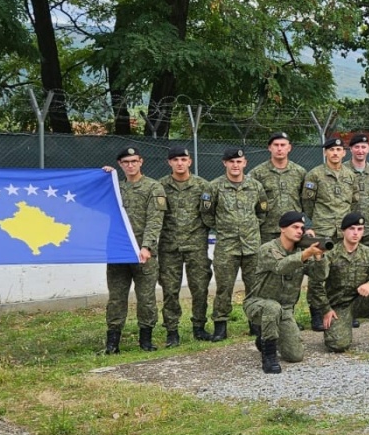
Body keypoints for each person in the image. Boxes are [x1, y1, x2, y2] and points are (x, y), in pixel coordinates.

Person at [244, 211, 328, 374]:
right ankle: (269, 358)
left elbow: (320, 276)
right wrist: (306, 254)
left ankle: (265, 338)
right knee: (272, 307)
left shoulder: (301, 252)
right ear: (282, 228)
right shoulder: (268, 249)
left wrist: (319, 257)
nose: (299, 231)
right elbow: (280, 267)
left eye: (302, 228)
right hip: (258, 304)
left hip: (285, 310)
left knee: (295, 355)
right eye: (295, 227)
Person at [200, 147, 267, 342]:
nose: (235, 165)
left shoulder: (255, 186)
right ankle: (220, 326)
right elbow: (206, 214)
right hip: (226, 247)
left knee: (255, 286)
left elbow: (262, 212)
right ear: (225, 163)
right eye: (231, 162)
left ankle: (256, 324)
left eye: (239, 161)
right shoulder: (214, 187)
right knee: (224, 288)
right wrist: (223, 227)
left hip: (252, 245)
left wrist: (250, 227)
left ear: (245, 163)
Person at [105, 146, 166, 354]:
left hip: (143, 253)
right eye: (126, 162)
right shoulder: (115, 187)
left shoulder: (153, 187)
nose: (130, 165)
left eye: (134, 161)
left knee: (146, 298)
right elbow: (95, 203)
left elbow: (155, 220)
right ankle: (112, 342)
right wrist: (103, 177)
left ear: (141, 162)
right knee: (116, 298)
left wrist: (147, 246)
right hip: (118, 252)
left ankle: (146, 339)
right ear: (120, 165)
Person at [315, 212, 369, 354]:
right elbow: (316, 284)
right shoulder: (331, 254)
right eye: (352, 229)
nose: (356, 233)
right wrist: (326, 309)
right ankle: (341, 326)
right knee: (337, 345)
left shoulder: (368, 253)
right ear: (343, 231)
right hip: (338, 306)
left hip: (360, 302)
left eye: (360, 229)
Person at [157, 146, 212, 346]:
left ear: (190, 161)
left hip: (196, 246)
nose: (179, 163)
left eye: (183, 159)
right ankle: (172, 331)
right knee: (170, 290)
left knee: (200, 288)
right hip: (169, 246)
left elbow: (209, 215)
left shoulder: (203, 186)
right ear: (169, 162)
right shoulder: (160, 186)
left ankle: (199, 327)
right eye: (175, 160)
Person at [249, 130, 306, 240]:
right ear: (269, 148)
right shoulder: (257, 173)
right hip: (267, 231)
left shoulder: (300, 172)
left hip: (293, 230)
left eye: (283, 145)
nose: (279, 148)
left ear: (289, 148)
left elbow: (306, 201)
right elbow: (250, 202)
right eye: (276, 145)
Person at [302, 136, 358, 240]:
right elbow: (307, 202)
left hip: (344, 229)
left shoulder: (351, 175)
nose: (335, 153)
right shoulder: (314, 174)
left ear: (344, 153)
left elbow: (354, 201)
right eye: (331, 149)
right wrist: (320, 218)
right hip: (322, 230)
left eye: (338, 149)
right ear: (325, 152)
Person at [347, 134, 369, 256]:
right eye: (356, 147)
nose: (360, 150)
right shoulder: (343, 170)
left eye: (363, 147)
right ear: (351, 149)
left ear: (368, 149)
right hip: (348, 227)